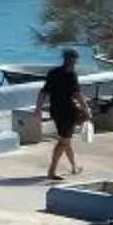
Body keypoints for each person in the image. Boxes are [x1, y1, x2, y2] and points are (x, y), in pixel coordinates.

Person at [41, 49, 91, 182]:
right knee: (63, 141)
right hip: (67, 112)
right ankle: (52, 170)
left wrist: (37, 108)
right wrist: (86, 108)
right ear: (74, 60)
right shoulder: (71, 75)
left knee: (66, 140)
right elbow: (77, 94)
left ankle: (74, 166)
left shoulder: (53, 73)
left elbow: (43, 92)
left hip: (55, 111)